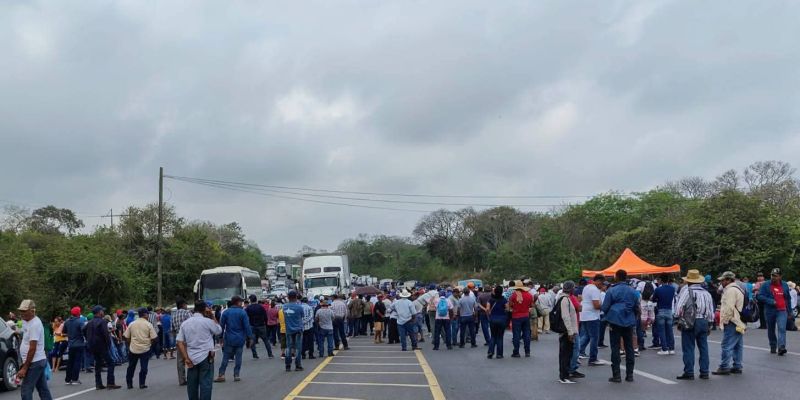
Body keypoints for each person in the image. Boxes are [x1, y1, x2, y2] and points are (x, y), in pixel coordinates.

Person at [177, 301, 222, 400]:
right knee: (206, 383)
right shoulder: (208, 322)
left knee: (192, 384)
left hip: (191, 358)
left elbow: (179, 342)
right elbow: (219, 330)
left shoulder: (185, 323)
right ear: (205, 310)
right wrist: (212, 316)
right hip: (206, 356)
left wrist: (186, 358)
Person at [675, 269, 715, 380]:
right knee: (703, 347)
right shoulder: (707, 293)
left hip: (690, 321)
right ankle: (705, 372)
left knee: (688, 347)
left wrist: (679, 319)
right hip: (704, 321)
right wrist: (710, 324)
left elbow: (678, 308)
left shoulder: (686, 291)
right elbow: (711, 311)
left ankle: (689, 372)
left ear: (688, 281)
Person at [601, 270, 637, 383]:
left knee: (615, 348)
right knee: (629, 347)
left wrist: (607, 317)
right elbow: (637, 306)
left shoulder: (611, 290)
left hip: (615, 321)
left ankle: (616, 375)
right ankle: (630, 375)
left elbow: (605, 307)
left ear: (616, 277)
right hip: (629, 320)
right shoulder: (632, 291)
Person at [16, 300, 54, 400]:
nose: (22, 313)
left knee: (26, 389)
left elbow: (33, 348)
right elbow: (25, 337)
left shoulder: (35, 324)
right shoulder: (26, 321)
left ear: (32, 311)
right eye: (21, 311)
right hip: (37, 360)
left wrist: (24, 367)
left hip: (35, 362)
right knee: (42, 389)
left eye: (24, 311)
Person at [713, 271, 746, 376]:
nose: (721, 282)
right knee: (737, 345)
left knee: (726, 344)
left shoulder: (730, 290)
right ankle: (737, 365)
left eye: (723, 280)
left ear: (728, 280)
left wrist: (724, 321)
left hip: (732, 320)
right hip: (739, 321)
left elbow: (729, 308)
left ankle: (724, 366)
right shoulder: (738, 288)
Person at [215, 296, 252, 382]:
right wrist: (250, 337)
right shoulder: (242, 313)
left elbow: (222, 326)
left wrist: (220, 337)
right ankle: (236, 375)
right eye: (241, 302)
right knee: (238, 357)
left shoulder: (226, 312)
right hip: (240, 338)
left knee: (226, 357)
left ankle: (221, 374)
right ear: (238, 302)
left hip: (229, 338)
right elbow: (247, 326)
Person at [757, 268, 791, 355]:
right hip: (770, 310)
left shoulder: (784, 285)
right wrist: (770, 301)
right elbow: (759, 296)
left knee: (782, 328)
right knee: (771, 329)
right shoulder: (765, 285)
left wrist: (789, 312)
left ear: (780, 276)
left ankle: (781, 347)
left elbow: (788, 298)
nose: (773, 277)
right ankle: (773, 345)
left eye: (775, 276)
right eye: (772, 275)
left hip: (782, 310)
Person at [85, 305, 121, 390]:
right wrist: (108, 345)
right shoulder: (102, 322)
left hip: (93, 346)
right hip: (101, 345)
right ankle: (110, 383)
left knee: (98, 364)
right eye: (102, 311)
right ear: (99, 312)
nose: (103, 312)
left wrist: (89, 339)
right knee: (111, 362)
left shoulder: (90, 322)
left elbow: (83, 330)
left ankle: (98, 384)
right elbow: (106, 335)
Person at [123, 308, 157, 389]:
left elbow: (126, 336)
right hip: (145, 349)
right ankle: (142, 383)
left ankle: (129, 383)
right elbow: (154, 338)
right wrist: (150, 344)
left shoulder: (132, 324)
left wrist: (130, 343)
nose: (148, 316)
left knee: (131, 366)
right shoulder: (148, 324)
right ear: (145, 314)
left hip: (133, 348)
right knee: (144, 367)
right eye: (147, 314)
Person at [578, 274, 603, 366]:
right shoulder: (595, 290)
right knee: (594, 337)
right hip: (592, 316)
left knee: (587, 336)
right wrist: (604, 306)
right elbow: (596, 305)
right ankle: (593, 358)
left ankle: (577, 353)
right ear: (598, 281)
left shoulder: (587, 287)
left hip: (584, 315)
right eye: (601, 283)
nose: (602, 285)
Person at [557, 282, 579, 384]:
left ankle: (564, 375)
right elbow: (566, 317)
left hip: (567, 331)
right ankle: (564, 376)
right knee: (565, 354)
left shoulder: (564, 299)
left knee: (566, 354)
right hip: (567, 331)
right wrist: (570, 332)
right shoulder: (565, 300)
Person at [652, 274, 676, 355]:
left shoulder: (658, 289)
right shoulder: (672, 289)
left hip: (661, 310)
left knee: (662, 331)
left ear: (661, 280)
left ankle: (664, 349)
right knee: (670, 330)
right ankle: (671, 348)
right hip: (669, 310)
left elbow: (653, 299)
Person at [508, 281, 533, 357]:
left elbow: (510, 306)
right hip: (526, 316)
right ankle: (527, 351)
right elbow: (531, 305)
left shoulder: (513, 296)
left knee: (516, 335)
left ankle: (516, 352)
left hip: (516, 317)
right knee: (527, 334)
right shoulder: (529, 295)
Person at [171, 298, 193, 386]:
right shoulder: (187, 313)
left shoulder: (173, 315)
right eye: (186, 304)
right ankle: (192, 378)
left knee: (180, 360)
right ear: (183, 305)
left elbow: (172, 329)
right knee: (190, 358)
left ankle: (182, 380)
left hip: (178, 339)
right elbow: (192, 324)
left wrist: (176, 338)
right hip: (188, 339)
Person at [283, 291, 305, 371]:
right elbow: (302, 316)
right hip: (298, 329)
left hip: (288, 330)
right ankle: (298, 365)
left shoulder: (284, 307)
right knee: (298, 348)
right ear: (296, 297)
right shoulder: (299, 307)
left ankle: (288, 366)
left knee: (288, 348)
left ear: (288, 297)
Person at [245, 295, 273, 359]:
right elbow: (265, 317)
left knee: (252, 340)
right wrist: (265, 324)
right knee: (266, 340)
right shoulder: (261, 307)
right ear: (256, 299)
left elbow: (246, 318)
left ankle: (255, 355)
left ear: (250, 300)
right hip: (261, 325)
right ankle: (270, 354)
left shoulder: (248, 308)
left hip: (252, 325)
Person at [63, 307, 85, 385]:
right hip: (79, 344)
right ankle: (75, 379)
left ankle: (68, 379)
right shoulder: (80, 321)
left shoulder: (67, 322)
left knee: (70, 362)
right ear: (78, 313)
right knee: (77, 362)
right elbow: (84, 331)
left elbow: (64, 332)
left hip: (71, 344)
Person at [487, 285, 507, 359]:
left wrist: (489, 315)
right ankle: (499, 354)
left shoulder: (491, 300)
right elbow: (507, 308)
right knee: (500, 337)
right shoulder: (504, 300)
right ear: (502, 292)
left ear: (494, 292)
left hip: (493, 319)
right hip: (502, 319)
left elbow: (487, 309)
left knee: (493, 336)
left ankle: (490, 351)